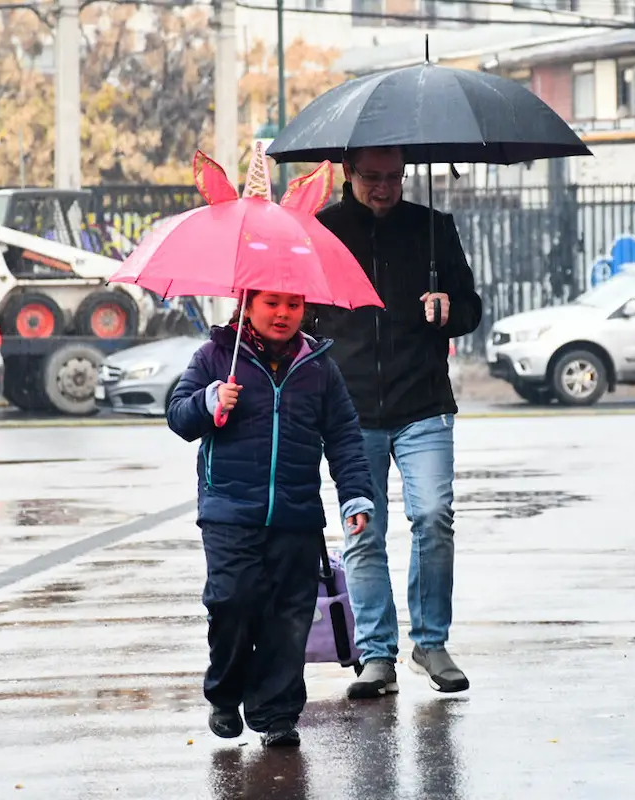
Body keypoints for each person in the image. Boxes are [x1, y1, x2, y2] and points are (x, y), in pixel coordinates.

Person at [307, 145, 483, 698]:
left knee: (433, 516)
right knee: (365, 532)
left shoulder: (434, 227)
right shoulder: (322, 231)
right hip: (350, 409)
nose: (385, 188)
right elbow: (302, 310)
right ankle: (376, 656)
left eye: (394, 178)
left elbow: (472, 307)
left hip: (423, 402)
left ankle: (430, 643)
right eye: (373, 178)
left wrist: (450, 307)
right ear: (347, 173)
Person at [167, 290, 375, 747]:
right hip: (229, 510)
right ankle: (225, 695)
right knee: (232, 601)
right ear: (247, 304)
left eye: (293, 305)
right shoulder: (217, 356)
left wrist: (355, 496)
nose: (283, 314)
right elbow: (179, 418)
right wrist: (209, 402)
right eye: (272, 303)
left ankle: (276, 713)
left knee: (290, 616)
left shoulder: (317, 365)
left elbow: (342, 435)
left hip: (296, 514)